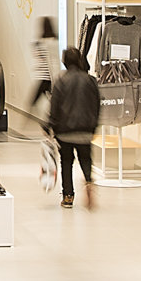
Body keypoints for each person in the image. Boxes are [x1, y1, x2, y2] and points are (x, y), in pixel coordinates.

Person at [39, 46, 100, 209]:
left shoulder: (61, 81)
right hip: (85, 130)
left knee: (66, 162)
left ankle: (68, 196)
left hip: (65, 131)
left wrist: (48, 126)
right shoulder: (90, 80)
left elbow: (55, 107)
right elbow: (96, 105)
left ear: (65, 62)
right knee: (85, 159)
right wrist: (94, 126)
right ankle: (89, 182)